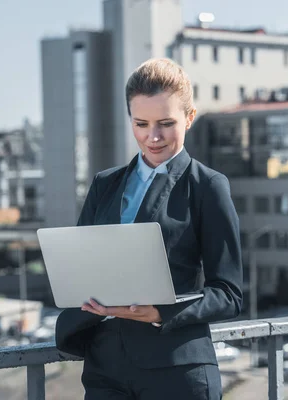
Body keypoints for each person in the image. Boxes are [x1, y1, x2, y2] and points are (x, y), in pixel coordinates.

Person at [55, 58, 243, 400]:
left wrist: (161, 312)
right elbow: (80, 270)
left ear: (189, 117)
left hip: (176, 370)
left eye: (166, 123)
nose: (153, 137)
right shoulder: (105, 184)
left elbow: (228, 293)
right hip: (104, 369)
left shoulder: (208, 186)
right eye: (141, 123)